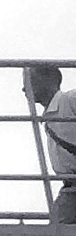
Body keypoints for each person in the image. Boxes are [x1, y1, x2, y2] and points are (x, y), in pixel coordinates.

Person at [29, 63, 76, 224]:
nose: (25, 88)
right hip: (70, 187)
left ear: (48, 79)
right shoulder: (49, 116)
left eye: (30, 80)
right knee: (55, 231)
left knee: (56, 232)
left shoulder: (70, 100)